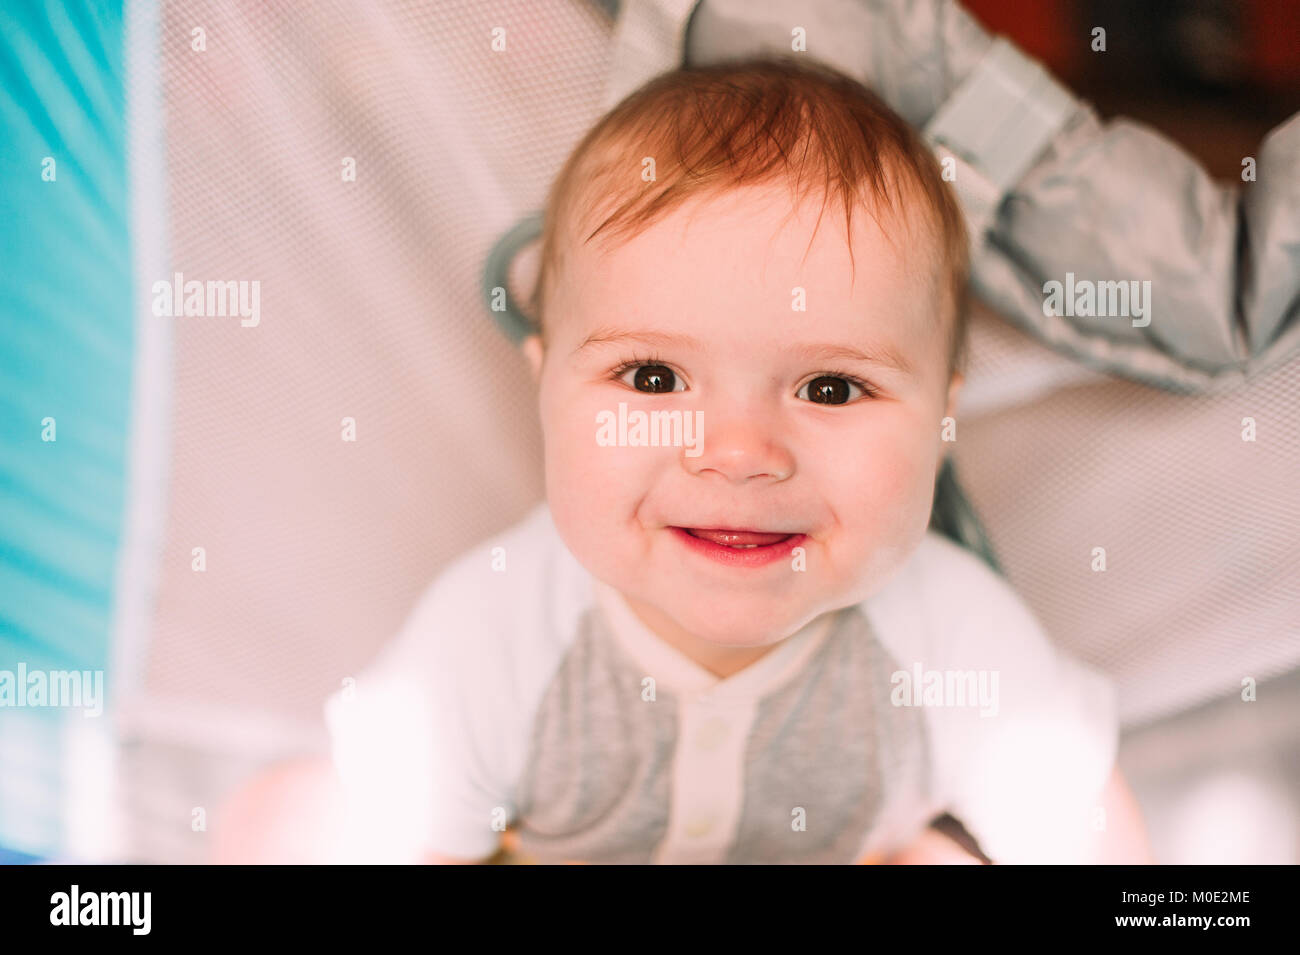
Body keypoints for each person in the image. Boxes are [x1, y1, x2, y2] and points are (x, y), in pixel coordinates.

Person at [298, 58, 1152, 865]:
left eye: (829, 388)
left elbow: (1091, 839)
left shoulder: (956, 637)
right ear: (546, 388)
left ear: (942, 415)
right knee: (290, 818)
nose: (739, 455)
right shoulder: (493, 633)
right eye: (655, 377)